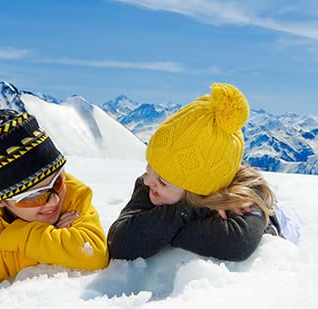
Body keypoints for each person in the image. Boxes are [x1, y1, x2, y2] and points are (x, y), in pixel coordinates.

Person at [0, 109, 109, 295]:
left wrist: (5, 239)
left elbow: (94, 253)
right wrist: (48, 243)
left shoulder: (72, 191)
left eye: (57, 181)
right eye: (34, 196)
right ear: (0, 201)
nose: (53, 200)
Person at [108, 83, 288, 262]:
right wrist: (187, 212)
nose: (148, 182)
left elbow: (237, 243)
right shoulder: (150, 186)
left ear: (198, 193)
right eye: (150, 168)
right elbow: (120, 243)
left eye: (162, 181)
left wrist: (168, 230)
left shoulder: (244, 198)